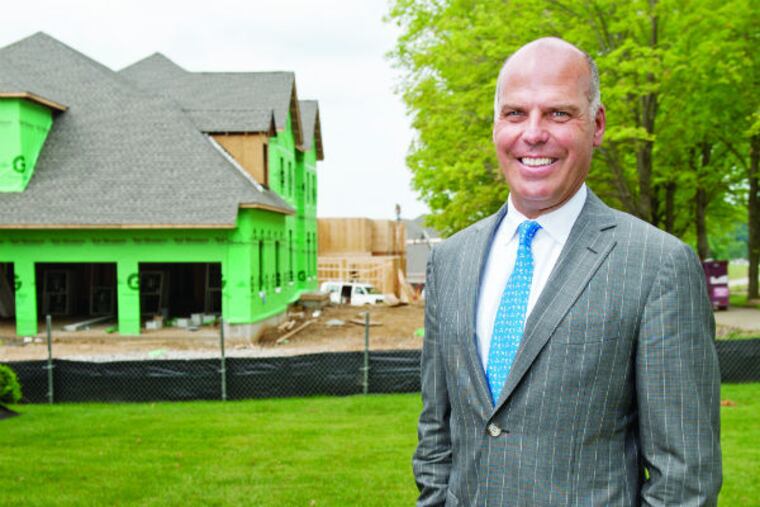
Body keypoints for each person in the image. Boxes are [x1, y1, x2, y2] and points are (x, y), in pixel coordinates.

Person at [413, 37, 722, 506]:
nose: (533, 134)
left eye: (558, 114)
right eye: (515, 113)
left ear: (595, 125)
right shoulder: (450, 261)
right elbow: (437, 434)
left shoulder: (657, 266)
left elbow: (684, 479)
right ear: (496, 124)